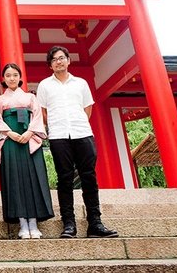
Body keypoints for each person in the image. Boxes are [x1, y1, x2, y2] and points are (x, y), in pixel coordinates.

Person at [36, 46, 118, 239]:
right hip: (58, 136)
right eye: (54, 59)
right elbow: (44, 113)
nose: (59, 61)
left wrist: (77, 124)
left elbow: (87, 109)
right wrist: (58, 125)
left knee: (89, 177)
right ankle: (69, 224)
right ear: (50, 65)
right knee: (64, 179)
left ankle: (95, 223)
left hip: (82, 133)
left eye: (62, 58)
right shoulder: (45, 85)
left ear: (68, 60)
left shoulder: (81, 83)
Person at [0, 63, 54, 239]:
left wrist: (29, 133)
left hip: (29, 140)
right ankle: (22, 223)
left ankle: (33, 222)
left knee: (32, 179)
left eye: (15, 75)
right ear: (3, 79)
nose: (12, 78)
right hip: (9, 141)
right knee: (14, 180)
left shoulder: (30, 98)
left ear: (20, 78)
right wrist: (10, 133)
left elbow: (37, 117)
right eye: (8, 75)